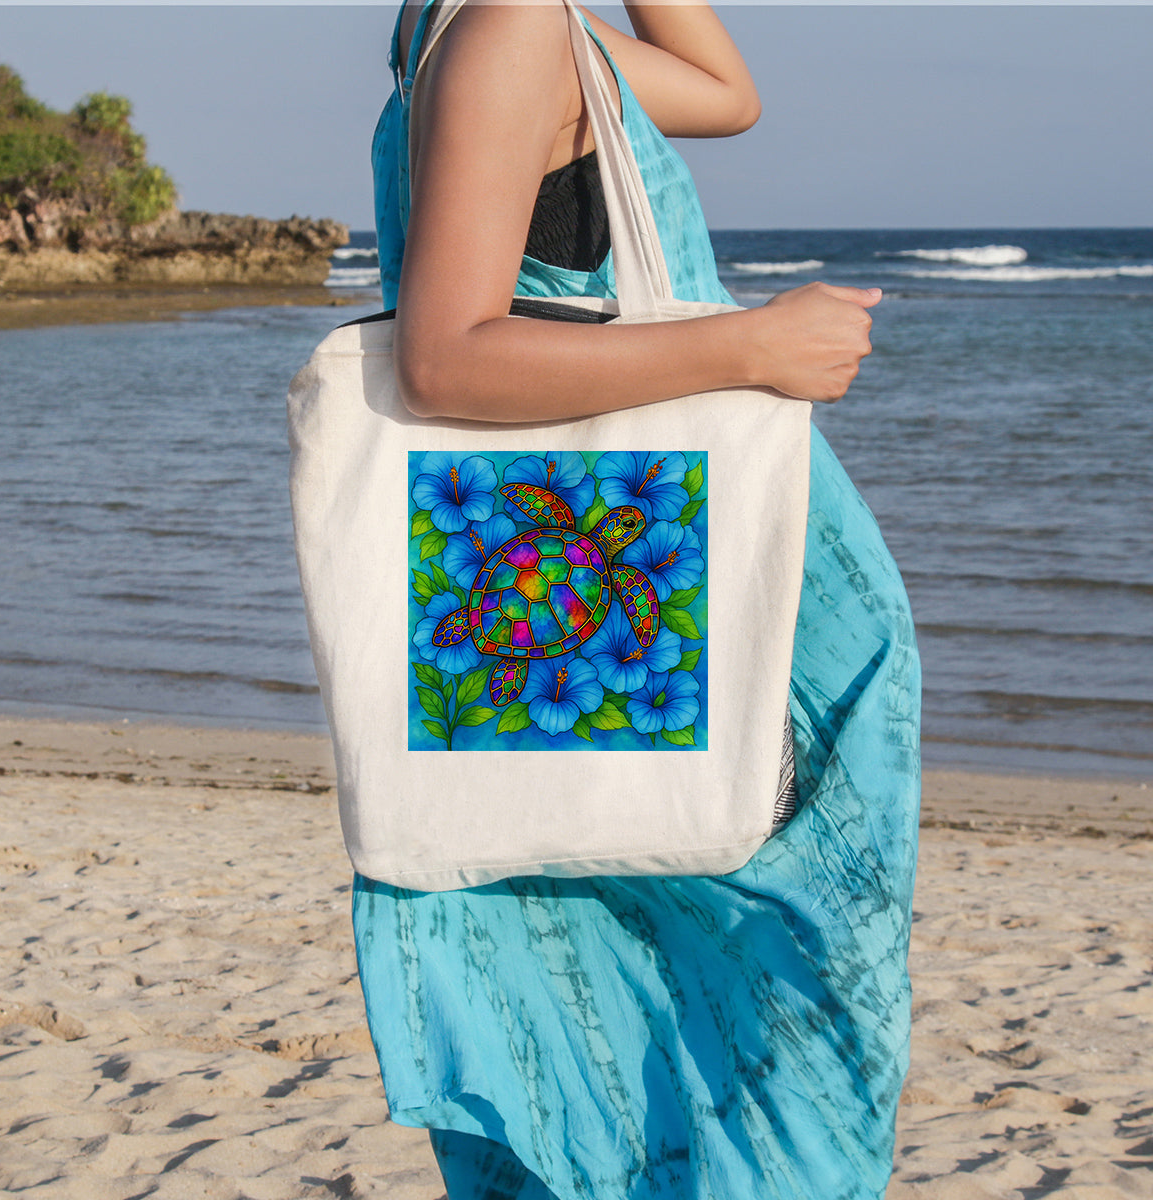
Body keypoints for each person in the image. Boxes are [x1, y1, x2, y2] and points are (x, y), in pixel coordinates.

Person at [354, 2, 922, 1197]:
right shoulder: (509, 26)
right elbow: (445, 356)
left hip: (600, 599)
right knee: (787, 1024)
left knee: (630, 986)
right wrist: (748, 346)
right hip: (696, 608)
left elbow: (728, 91)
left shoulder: (485, 25)